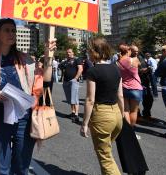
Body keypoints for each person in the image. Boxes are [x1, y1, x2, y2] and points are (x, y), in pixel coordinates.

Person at [0, 18, 55, 174]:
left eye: (13, 30)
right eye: (7, 30)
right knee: (1, 167)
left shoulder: (25, 59)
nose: (11, 33)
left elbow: (45, 80)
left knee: (21, 166)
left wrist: (48, 57)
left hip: (24, 119)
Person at [80, 37, 124, 175]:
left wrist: (84, 123)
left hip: (102, 115)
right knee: (107, 151)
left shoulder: (93, 71)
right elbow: (120, 95)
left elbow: (90, 99)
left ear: (94, 52)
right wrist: (121, 114)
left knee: (105, 157)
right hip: (116, 113)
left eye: (89, 50)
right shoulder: (116, 68)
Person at [116, 44, 142, 128]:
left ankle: (127, 130)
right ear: (128, 51)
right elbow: (140, 65)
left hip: (123, 87)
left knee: (125, 110)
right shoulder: (134, 60)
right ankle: (132, 129)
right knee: (134, 111)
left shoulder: (118, 62)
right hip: (135, 87)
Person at [59, 48, 83, 124]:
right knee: (70, 99)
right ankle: (72, 112)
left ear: (73, 53)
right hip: (66, 82)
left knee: (74, 98)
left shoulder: (77, 59)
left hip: (73, 81)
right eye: (67, 52)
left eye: (69, 52)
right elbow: (60, 66)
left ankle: (76, 114)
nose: (68, 53)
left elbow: (80, 69)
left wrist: (75, 78)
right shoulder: (66, 61)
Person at [132, 45, 154, 120]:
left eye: (137, 51)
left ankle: (147, 114)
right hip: (136, 82)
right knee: (136, 100)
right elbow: (133, 71)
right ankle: (137, 115)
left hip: (145, 81)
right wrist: (144, 70)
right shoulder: (130, 59)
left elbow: (145, 67)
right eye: (134, 51)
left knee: (149, 99)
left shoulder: (141, 57)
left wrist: (148, 69)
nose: (136, 52)